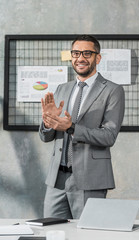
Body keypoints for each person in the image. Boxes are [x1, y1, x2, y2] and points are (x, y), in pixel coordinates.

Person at [39, 34, 125, 219]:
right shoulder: (62, 88)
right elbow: (46, 137)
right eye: (76, 53)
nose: (80, 58)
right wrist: (48, 122)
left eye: (87, 53)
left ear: (98, 57)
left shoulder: (113, 90)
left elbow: (109, 136)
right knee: (52, 234)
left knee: (88, 234)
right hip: (57, 179)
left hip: (90, 179)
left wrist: (71, 127)